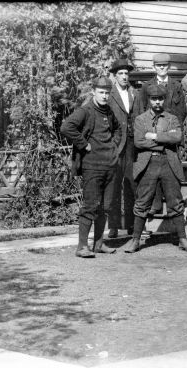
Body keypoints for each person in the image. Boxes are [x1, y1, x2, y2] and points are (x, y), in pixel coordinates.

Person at [118, 83, 187, 253]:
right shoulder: (140, 119)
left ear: (164, 100)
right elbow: (139, 141)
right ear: (149, 100)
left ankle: (183, 239)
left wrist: (154, 137)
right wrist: (163, 141)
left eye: (160, 99)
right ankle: (135, 240)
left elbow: (176, 137)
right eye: (154, 99)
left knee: (175, 202)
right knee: (142, 202)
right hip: (148, 164)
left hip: (168, 163)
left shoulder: (172, 118)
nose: (157, 102)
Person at [61, 77, 121, 258]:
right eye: (101, 92)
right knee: (90, 206)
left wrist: (114, 146)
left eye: (107, 93)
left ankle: (99, 244)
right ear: (93, 92)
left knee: (105, 206)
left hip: (110, 165)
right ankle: (81, 247)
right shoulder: (85, 111)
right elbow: (66, 127)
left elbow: (118, 129)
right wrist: (83, 144)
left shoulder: (109, 111)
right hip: (92, 167)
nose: (104, 96)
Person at [134, 53, 187, 217]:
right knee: (153, 165)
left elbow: (182, 111)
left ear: (169, 67)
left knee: (170, 167)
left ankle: (174, 206)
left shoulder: (176, 86)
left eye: (165, 65)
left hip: (170, 131)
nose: (162, 68)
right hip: (151, 129)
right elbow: (141, 109)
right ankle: (156, 204)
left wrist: (170, 130)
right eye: (159, 66)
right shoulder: (146, 86)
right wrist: (148, 129)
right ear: (154, 67)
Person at [107, 59, 136, 238]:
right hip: (116, 146)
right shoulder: (109, 95)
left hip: (132, 146)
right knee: (114, 185)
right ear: (115, 76)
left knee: (131, 184)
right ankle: (114, 226)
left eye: (126, 74)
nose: (124, 77)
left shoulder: (135, 93)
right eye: (121, 74)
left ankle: (132, 224)